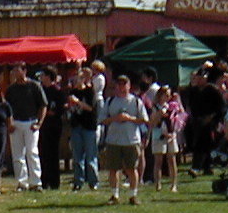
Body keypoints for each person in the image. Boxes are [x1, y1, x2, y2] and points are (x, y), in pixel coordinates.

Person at [100, 75, 147, 205]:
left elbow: (144, 119)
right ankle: (115, 195)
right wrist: (115, 118)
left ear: (129, 86)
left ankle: (133, 195)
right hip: (113, 140)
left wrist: (129, 118)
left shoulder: (136, 101)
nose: (121, 87)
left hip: (131, 140)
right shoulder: (110, 101)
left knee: (132, 169)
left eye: (124, 84)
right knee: (113, 169)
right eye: (119, 84)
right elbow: (102, 120)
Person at [4, 61, 47, 191]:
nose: (16, 73)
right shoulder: (11, 89)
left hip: (31, 122)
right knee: (18, 155)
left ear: (24, 71)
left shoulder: (34, 86)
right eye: (14, 71)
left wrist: (39, 123)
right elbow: (7, 108)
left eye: (18, 70)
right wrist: (9, 123)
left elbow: (43, 105)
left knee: (32, 152)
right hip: (16, 123)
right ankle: (22, 182)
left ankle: (36, 182)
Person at [66, 67, 99, 191]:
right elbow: (72, 108)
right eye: (74, 79)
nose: (76, 81)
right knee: (77, 156)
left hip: (88, 127)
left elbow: (91, 108)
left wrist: (78, 102)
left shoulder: (90, 91)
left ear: (84, 79)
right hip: (76, 126)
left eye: (79, 79)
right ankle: (78, 182)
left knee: (90, 156)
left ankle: (93, 182)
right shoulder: (72, 92)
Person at [37, 66, 65, 189]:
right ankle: (44, 181)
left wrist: (48, 112)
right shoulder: (41, 90)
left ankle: (54, 182)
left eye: (43, 76)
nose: (41, 78)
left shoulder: (58, 91)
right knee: (43, 153)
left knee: (53, 154)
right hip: (43, 126)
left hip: (54, 126)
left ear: (49, 77)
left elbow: (59, 110)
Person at [147, 85, 179, 193]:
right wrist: (159, 115)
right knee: (158, 160)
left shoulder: (171, 107)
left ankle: (174, 184)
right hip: (158, 134)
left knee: (172, 159)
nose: (168, 97)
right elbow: (152, 123)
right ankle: (158, 184)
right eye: (166, 95)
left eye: (169, 95)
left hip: (170, 134)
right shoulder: (155, 108)